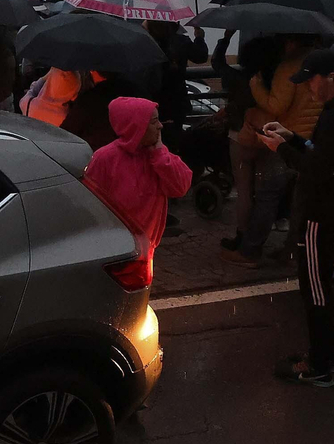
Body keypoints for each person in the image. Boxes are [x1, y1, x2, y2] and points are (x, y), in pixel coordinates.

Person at [256, 50, 334, 387]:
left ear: (331, 77)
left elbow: (318, 168)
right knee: (321, 285)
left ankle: (319, 365)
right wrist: (292, 137)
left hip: (321, 215)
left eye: (311, 80)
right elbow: (325, 154)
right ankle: (331, 355)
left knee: (314, 289)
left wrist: (280, 149)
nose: (309, 88)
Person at [223, 36, 323, 269]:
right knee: (299, 200)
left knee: (267, 196)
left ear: (291, 41)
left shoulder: (289, 67)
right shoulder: (323, 64)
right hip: (312, 140)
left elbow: (276, 105)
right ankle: (292, 251)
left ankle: (250, 251)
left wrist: (256, 86)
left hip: (287, 137)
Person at [82, 96, 193, 290]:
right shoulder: (105, 158)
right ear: (136, 126)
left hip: (146, 247)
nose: (160, 126)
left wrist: (159, 153)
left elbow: (180, 187)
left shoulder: (158, 155)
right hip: (116, 249)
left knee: (139, 290)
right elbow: (90, 206)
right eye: (153, 121)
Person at [212, 31, 281, 253]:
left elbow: (217, 63)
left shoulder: (239, 78)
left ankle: (242, 236)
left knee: (243, 190)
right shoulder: (276, 81)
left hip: (240, 136)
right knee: (263, 194)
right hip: (267, 137)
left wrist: (226, 37)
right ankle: (257, 239)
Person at [146, 21, 209, 155]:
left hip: (153, 100)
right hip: (177, 101)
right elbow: (201, 56)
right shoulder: (181, 41)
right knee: (173, 141)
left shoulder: (147, 41)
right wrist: (199, 37)